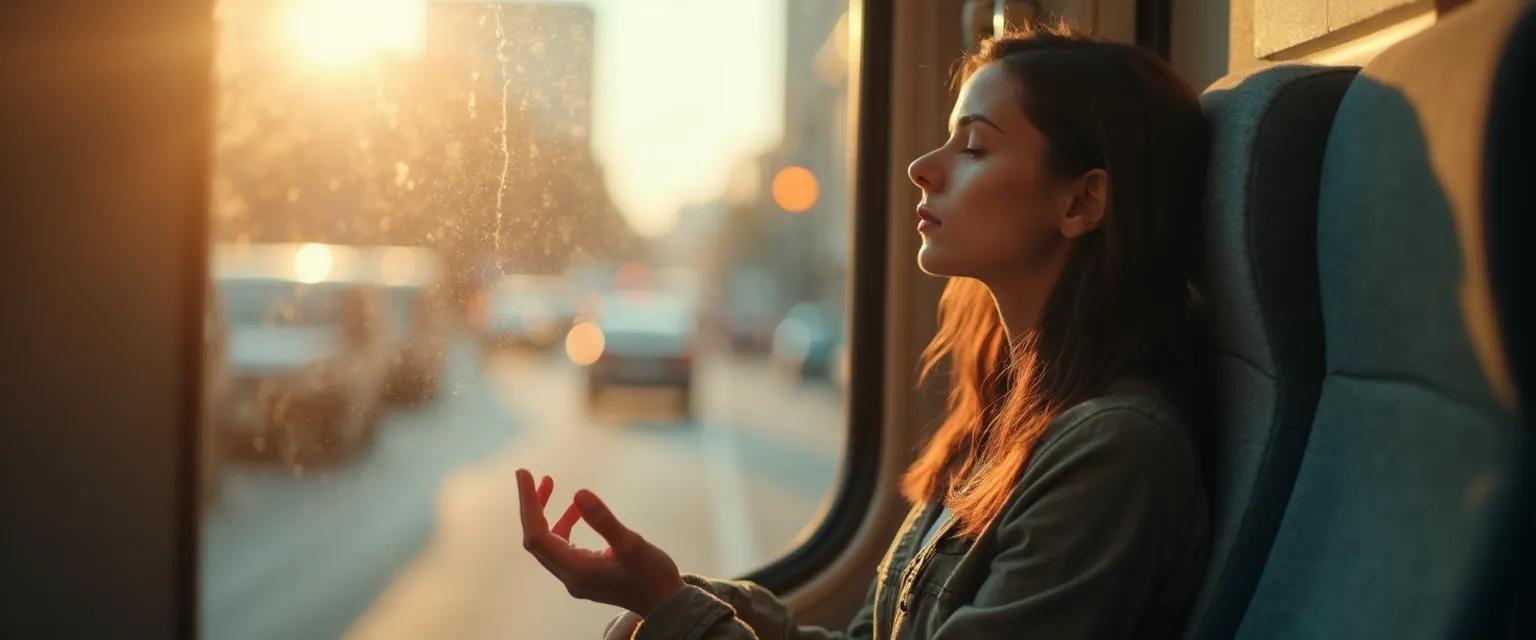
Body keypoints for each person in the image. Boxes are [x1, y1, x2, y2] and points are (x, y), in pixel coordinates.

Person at [516, 23, 1211, 640]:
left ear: (1082, 200)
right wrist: (683, 598)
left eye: (972, 148)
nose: (921, 168)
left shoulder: (1114, 451)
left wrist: (672, 610)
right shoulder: (1006, 416)